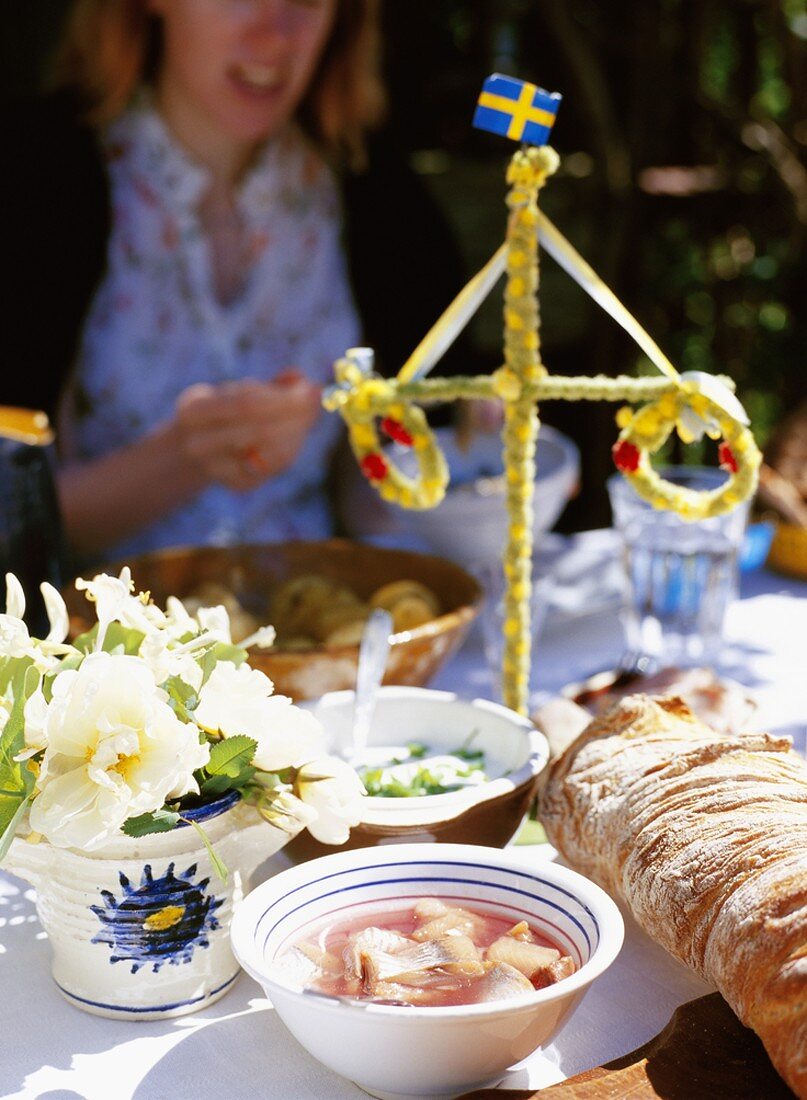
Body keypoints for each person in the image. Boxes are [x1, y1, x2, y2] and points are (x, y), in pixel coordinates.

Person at [4, 0, 467, 564]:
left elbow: (378, 502)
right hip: (100, 641)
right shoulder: (32, 183)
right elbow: (11, 518)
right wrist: (184, 457)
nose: (275, 32)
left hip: (323, 628)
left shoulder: (378, 198)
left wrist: (477, 469)